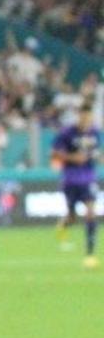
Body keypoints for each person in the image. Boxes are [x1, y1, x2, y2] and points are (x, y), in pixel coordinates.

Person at [51, 107, 99, 269]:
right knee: (72, 216)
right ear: (79, 116)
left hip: (88, 178)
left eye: (89, 117)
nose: (87, 121)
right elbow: (55, 154)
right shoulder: (67, 133)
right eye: (84, 117)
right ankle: (62, 226)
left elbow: (95, 154)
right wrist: (73, 157)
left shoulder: (94, 133)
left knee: (91, 212)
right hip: (71, 179)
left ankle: (90, 254)